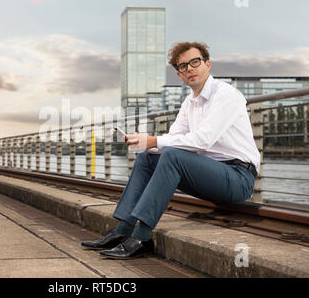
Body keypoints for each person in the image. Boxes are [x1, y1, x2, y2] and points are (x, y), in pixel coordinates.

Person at [81, 42, 260, 259]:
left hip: (238, 178)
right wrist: (145, 142)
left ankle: (142, 237)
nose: (190, 69)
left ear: (208, 64)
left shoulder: (226, 95)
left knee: (172, 155)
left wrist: (155, 140)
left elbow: (203, 139)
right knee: (147, 157)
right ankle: (122, 230)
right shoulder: (189, 103)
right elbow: (174, 137)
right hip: (211, 175)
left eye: (195, 62)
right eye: (183, 66)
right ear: (179, 75)